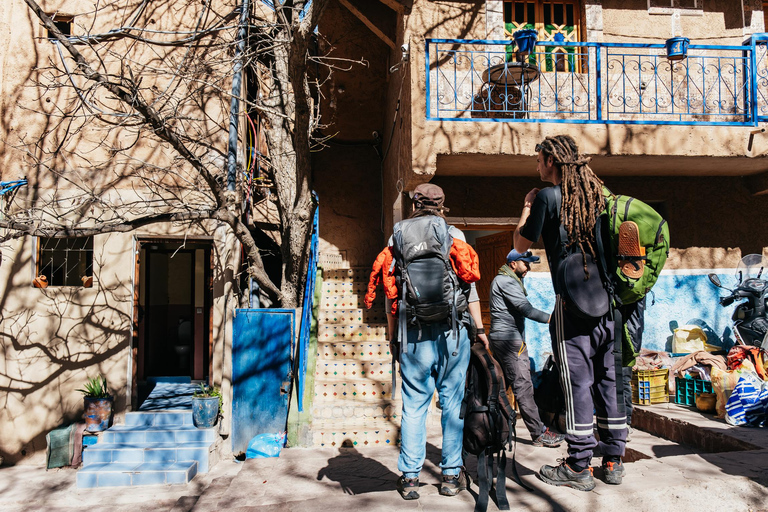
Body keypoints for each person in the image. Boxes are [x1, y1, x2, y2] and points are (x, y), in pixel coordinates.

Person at [514, 135, 627, 491]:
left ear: (551, 161)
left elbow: (520, 248)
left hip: (572, 306)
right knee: (610, 381)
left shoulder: (548, 197)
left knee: (576, 382)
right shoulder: (599, 197)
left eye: (538, 160)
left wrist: (528, 207)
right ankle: (613, 461)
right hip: (609, 305)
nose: (536, 167)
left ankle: (578, 466)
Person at [387, 183, 489, 501]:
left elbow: (392, 291)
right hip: (452, 332)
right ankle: (449, 476)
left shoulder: (398, 234)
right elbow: (469, 287)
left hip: (412, 333)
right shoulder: (454, 235)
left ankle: (410, 478)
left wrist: (393, 336)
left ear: (414, 203)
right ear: (442, 204)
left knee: (414, 406)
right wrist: (480, 330)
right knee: (452, 403)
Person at [489, 248, 564, 448]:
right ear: (513, 263)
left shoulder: (505, 279)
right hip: (510, 342)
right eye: (525, 263)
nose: (528, 268)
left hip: (503, 340)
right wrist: (553, 319)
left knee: (500, 388)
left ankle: (497, 431)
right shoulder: (506, 281)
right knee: (523, 386)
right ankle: (539, 433)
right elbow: (526, 309)